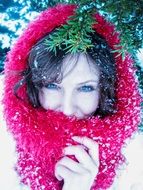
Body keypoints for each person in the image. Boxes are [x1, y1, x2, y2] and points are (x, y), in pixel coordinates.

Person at [1, 3, 143, 190]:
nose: (67, 109)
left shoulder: (135, 169)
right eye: (52, 86)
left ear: (108, 90)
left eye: (85, 88)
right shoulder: (4, 151)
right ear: (31, 86)